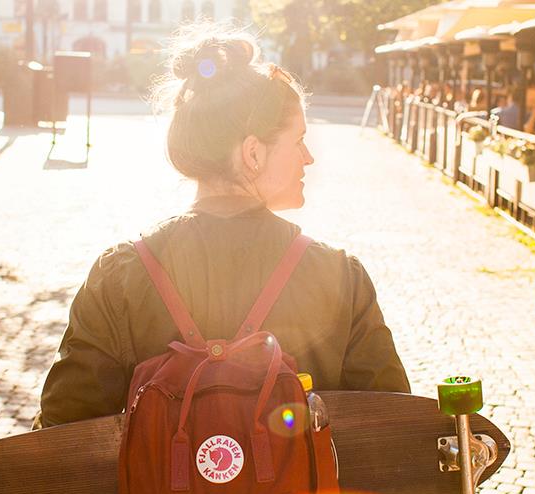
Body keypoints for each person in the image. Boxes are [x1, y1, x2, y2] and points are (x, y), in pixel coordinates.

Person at [35, 26, 410, 429]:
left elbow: (61, 433)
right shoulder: (337, 275)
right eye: (298, 140)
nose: (309, 157)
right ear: (252, 152)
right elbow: (394, 430)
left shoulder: (119, 275)